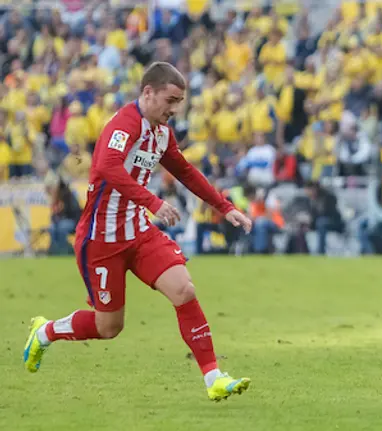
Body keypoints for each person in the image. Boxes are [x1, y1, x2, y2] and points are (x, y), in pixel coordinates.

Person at [23, 62, 253, 403]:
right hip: (101, 240)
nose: (175, 109)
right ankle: (45, 332)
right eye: (170, 100)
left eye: (180, 102)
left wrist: (225, 206)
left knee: (184, 289)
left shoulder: (162, 133)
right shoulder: (125, 123)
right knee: (109, 327)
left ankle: (214, 378)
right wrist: (154, 202)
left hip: (139, 232)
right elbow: (107, 167)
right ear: (148, 93)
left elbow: (186, 172)